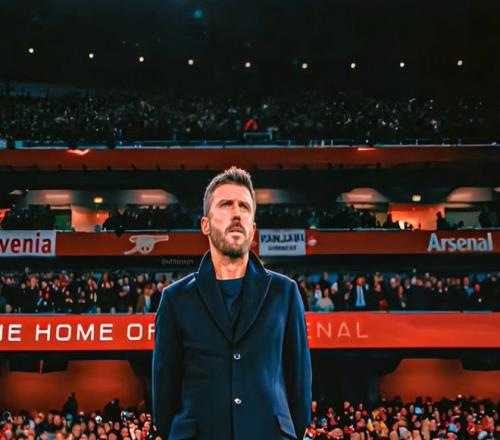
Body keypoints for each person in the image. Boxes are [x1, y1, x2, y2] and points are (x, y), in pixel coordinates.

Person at [152, 166, 312, 440]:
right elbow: (164, 395)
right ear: (205, 224)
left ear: (253, 227)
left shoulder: (285, 293)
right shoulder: (175, 298)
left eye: (244, 207)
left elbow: (300, 387)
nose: (237, 214)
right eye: (226, 205)